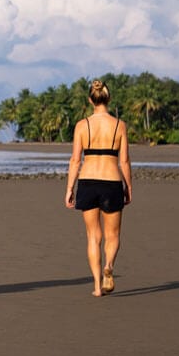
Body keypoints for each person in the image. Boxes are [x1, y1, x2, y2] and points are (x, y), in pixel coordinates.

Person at [65, 79, 133, 297]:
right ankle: (109, 267)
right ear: (108, 98)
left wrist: (69, 188)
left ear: (90, 100)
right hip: (112, 181)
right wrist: (128, 186)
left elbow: (75, 160)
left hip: (88, 181)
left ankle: (96, 286)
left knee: (93, 236)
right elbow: (124, 161)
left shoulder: (81, 125)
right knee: (112, 235)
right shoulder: (119, 125)